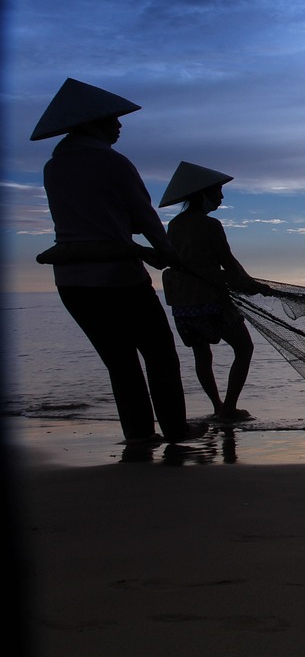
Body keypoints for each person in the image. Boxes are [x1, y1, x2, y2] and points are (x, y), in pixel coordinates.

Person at [31, 78, 204, 444]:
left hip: (72, 282)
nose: (119, 126)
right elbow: (144, 217)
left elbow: (96, 216)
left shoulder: (53, 167)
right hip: (117, 278)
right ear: (91, 123)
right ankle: (175, 428)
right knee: (160, 355)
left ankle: (139, 434)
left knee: (120, 362)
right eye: (113, 120)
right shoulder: (112, 162)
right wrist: (170, 256)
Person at [158, 162, 264, 421]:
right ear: (203, 193)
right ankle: (229, 408)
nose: (221, 197)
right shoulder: (210, 225)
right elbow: (227, 261)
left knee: (201, 354)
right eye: (217, 191)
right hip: (211, 300)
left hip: (183, 304)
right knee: (245, 348)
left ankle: (217, 406)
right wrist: (250, 284)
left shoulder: (175, 225)